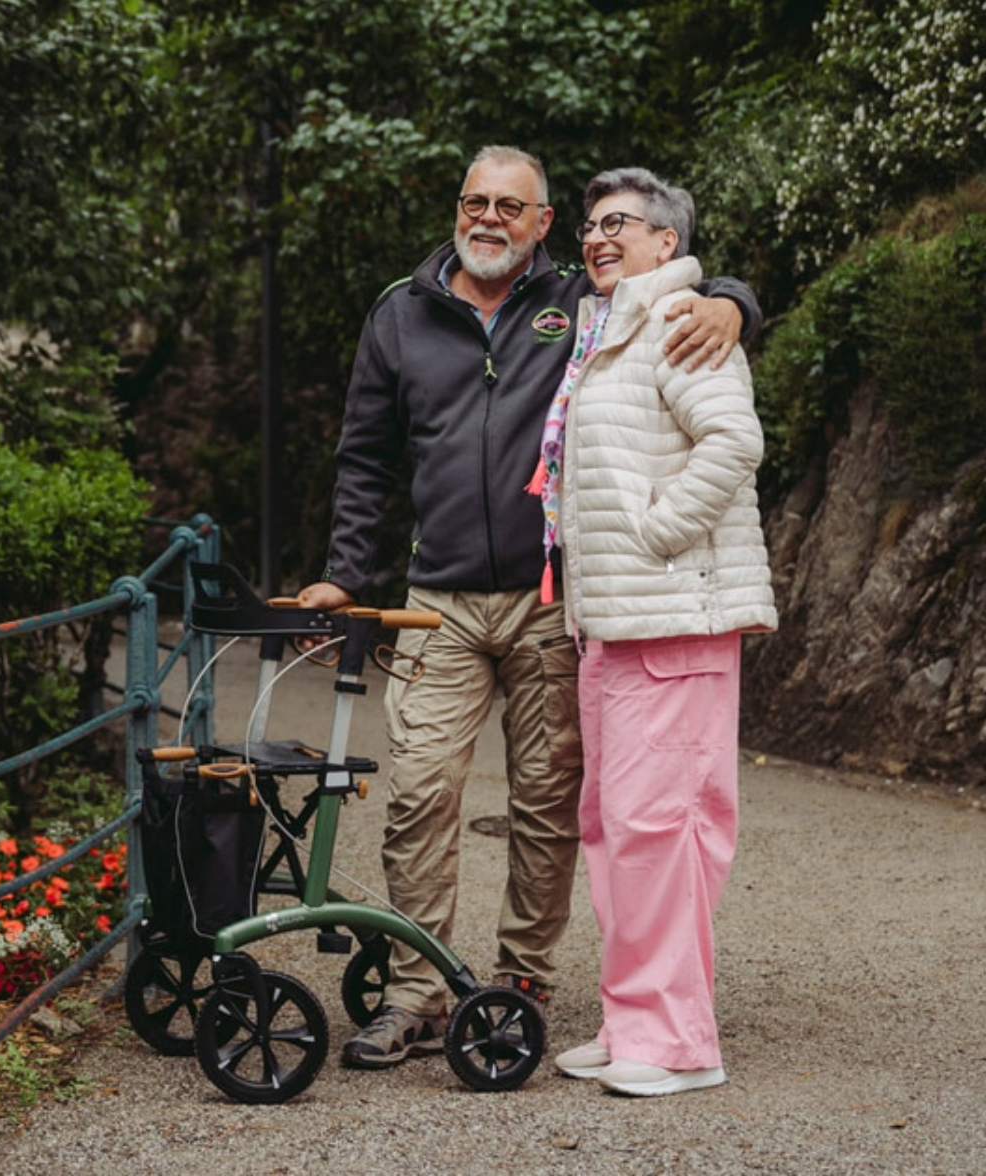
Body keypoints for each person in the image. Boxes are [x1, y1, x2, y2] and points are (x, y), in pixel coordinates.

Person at [295, 145, 760, 1070]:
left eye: (512, 206)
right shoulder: (399, 313)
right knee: (419, 794)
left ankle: (520, 984)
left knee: (547, 804)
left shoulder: (580, 304)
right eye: (476, 201)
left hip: (550, 599)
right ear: (456, 209)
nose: (490, 219)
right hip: (438, 602)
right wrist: (346, 572)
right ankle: (418, 991)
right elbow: (366, 456)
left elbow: (666, 283)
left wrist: (734, 302)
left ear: (543, 223)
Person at [536, 167, 777, 1096]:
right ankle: (632, 1019)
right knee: (615, 828)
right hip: (615, 623)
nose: (598, 237)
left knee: (664, 828)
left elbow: (734, 441)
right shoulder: (608, 327)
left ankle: (678, 1046)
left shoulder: (681, 319)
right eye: (591, 225)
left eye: (620, 224)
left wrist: (657, 533)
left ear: (666, 241)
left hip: (673, 615)